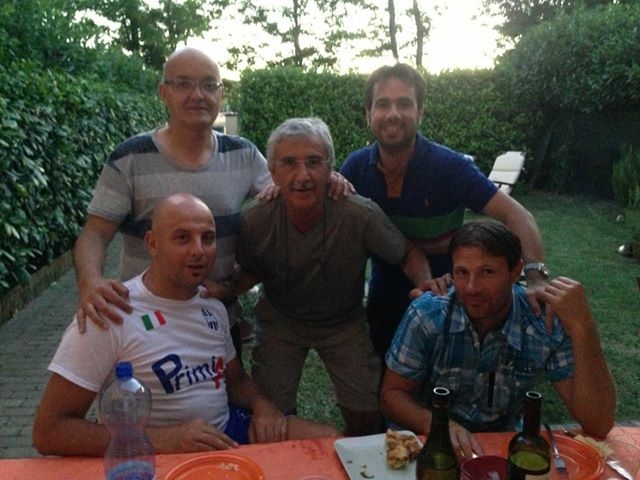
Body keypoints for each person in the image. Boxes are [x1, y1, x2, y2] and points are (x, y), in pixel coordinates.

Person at [73, 46, 350, 358]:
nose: (197, 95)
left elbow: (292, 191)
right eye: (183, 84)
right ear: (164, 93)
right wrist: (91, 283)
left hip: (217, 321)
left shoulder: (243, 155)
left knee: (227, 391)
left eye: (208, 85)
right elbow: (95, 233)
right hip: (145, 327)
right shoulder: (131, 157)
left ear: (220, 93)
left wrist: (328, 179)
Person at [33, 193, 339, 456]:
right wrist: (166, 440)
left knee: (331, 442)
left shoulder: (212, 307)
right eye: (182, 238)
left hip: (226, 434)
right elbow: (49, 431)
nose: (198, 250)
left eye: (207, 238)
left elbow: (234, 381)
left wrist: (262, 405)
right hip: (154, 453)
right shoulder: (111, 313)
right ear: (153, 243)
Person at [211, 117, 445, 437]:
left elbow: (406, 253)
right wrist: (224, 289)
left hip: (343, 322)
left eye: (314, 162)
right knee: (272, 416)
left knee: (365, 412)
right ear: (273, 171)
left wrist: (424, 282)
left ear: (330, 168)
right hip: (282, 319)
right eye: (289, 163)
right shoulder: (255, 219)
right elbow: (252, 270)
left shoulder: (358, 213)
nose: (302, 175)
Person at [340, 63, 547, 361]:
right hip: (384, 300)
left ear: (420, 113)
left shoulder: (449, 167)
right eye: (383, 104)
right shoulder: (356, 168)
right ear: (368, 114)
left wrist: (536, 278)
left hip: (449, 299)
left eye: (404, 104)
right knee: (386, 380)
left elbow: (518, 216)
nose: (393, 113)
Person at [380, 221, 616, 460]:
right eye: (462, 272)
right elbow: (392, 395)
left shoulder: (540, 323)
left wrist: (584, 328)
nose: (471, 288)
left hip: (501, 447)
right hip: (431, 446)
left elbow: (598, 423)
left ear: (515, 272)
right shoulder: (428, 315)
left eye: (487, 272)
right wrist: (438, 425)